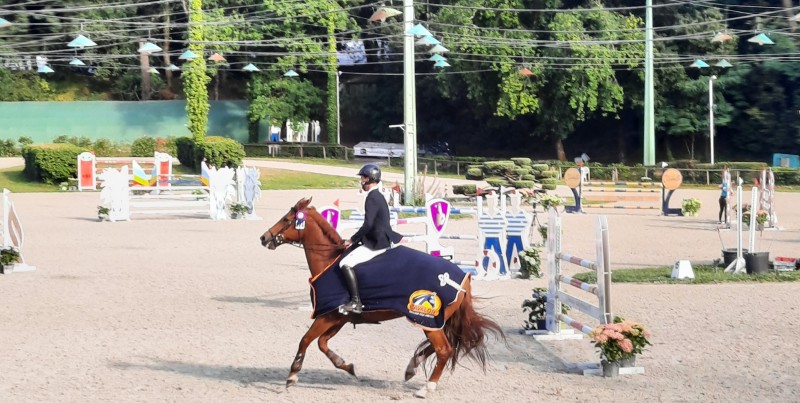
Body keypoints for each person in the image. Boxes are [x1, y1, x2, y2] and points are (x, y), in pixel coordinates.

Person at [338, 164, 403, 314]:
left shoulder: (372, 197)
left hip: (376, 242)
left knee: (345, 263)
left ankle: (355, 302)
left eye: (363, 178)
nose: (361, 180)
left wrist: (352, 240)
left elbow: (368, 224)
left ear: (370, 179)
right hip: (379, 237)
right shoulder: (377, 195)